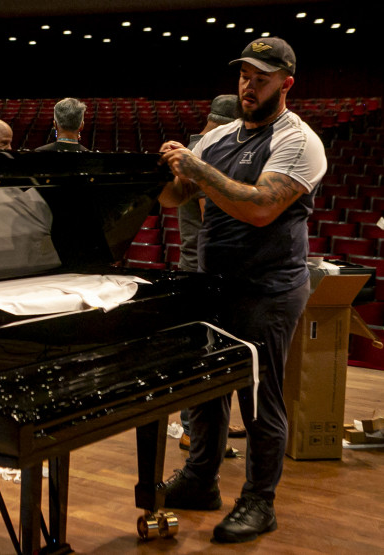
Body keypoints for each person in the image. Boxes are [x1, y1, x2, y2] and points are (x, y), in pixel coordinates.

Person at [158, 37, 326, 544]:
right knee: (205, 391)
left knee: (259, 397)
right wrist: (166, 172)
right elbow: (175, 198)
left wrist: (197, 168)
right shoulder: (219, 138)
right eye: (244, 76)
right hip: (215, 284)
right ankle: (199, 480)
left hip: (269, 288)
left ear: (286, 84)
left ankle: (259, 501)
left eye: (262, 77)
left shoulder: (298, 140)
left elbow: (259, 207)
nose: (249, 85)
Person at [177, 94, 244, 455]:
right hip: (199, 266)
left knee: (212, 350)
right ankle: (193, 430)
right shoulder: (204, 152)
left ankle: (208, 425)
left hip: (199, 263)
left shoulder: (196, 148)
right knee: (202, 353)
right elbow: (212, 214)